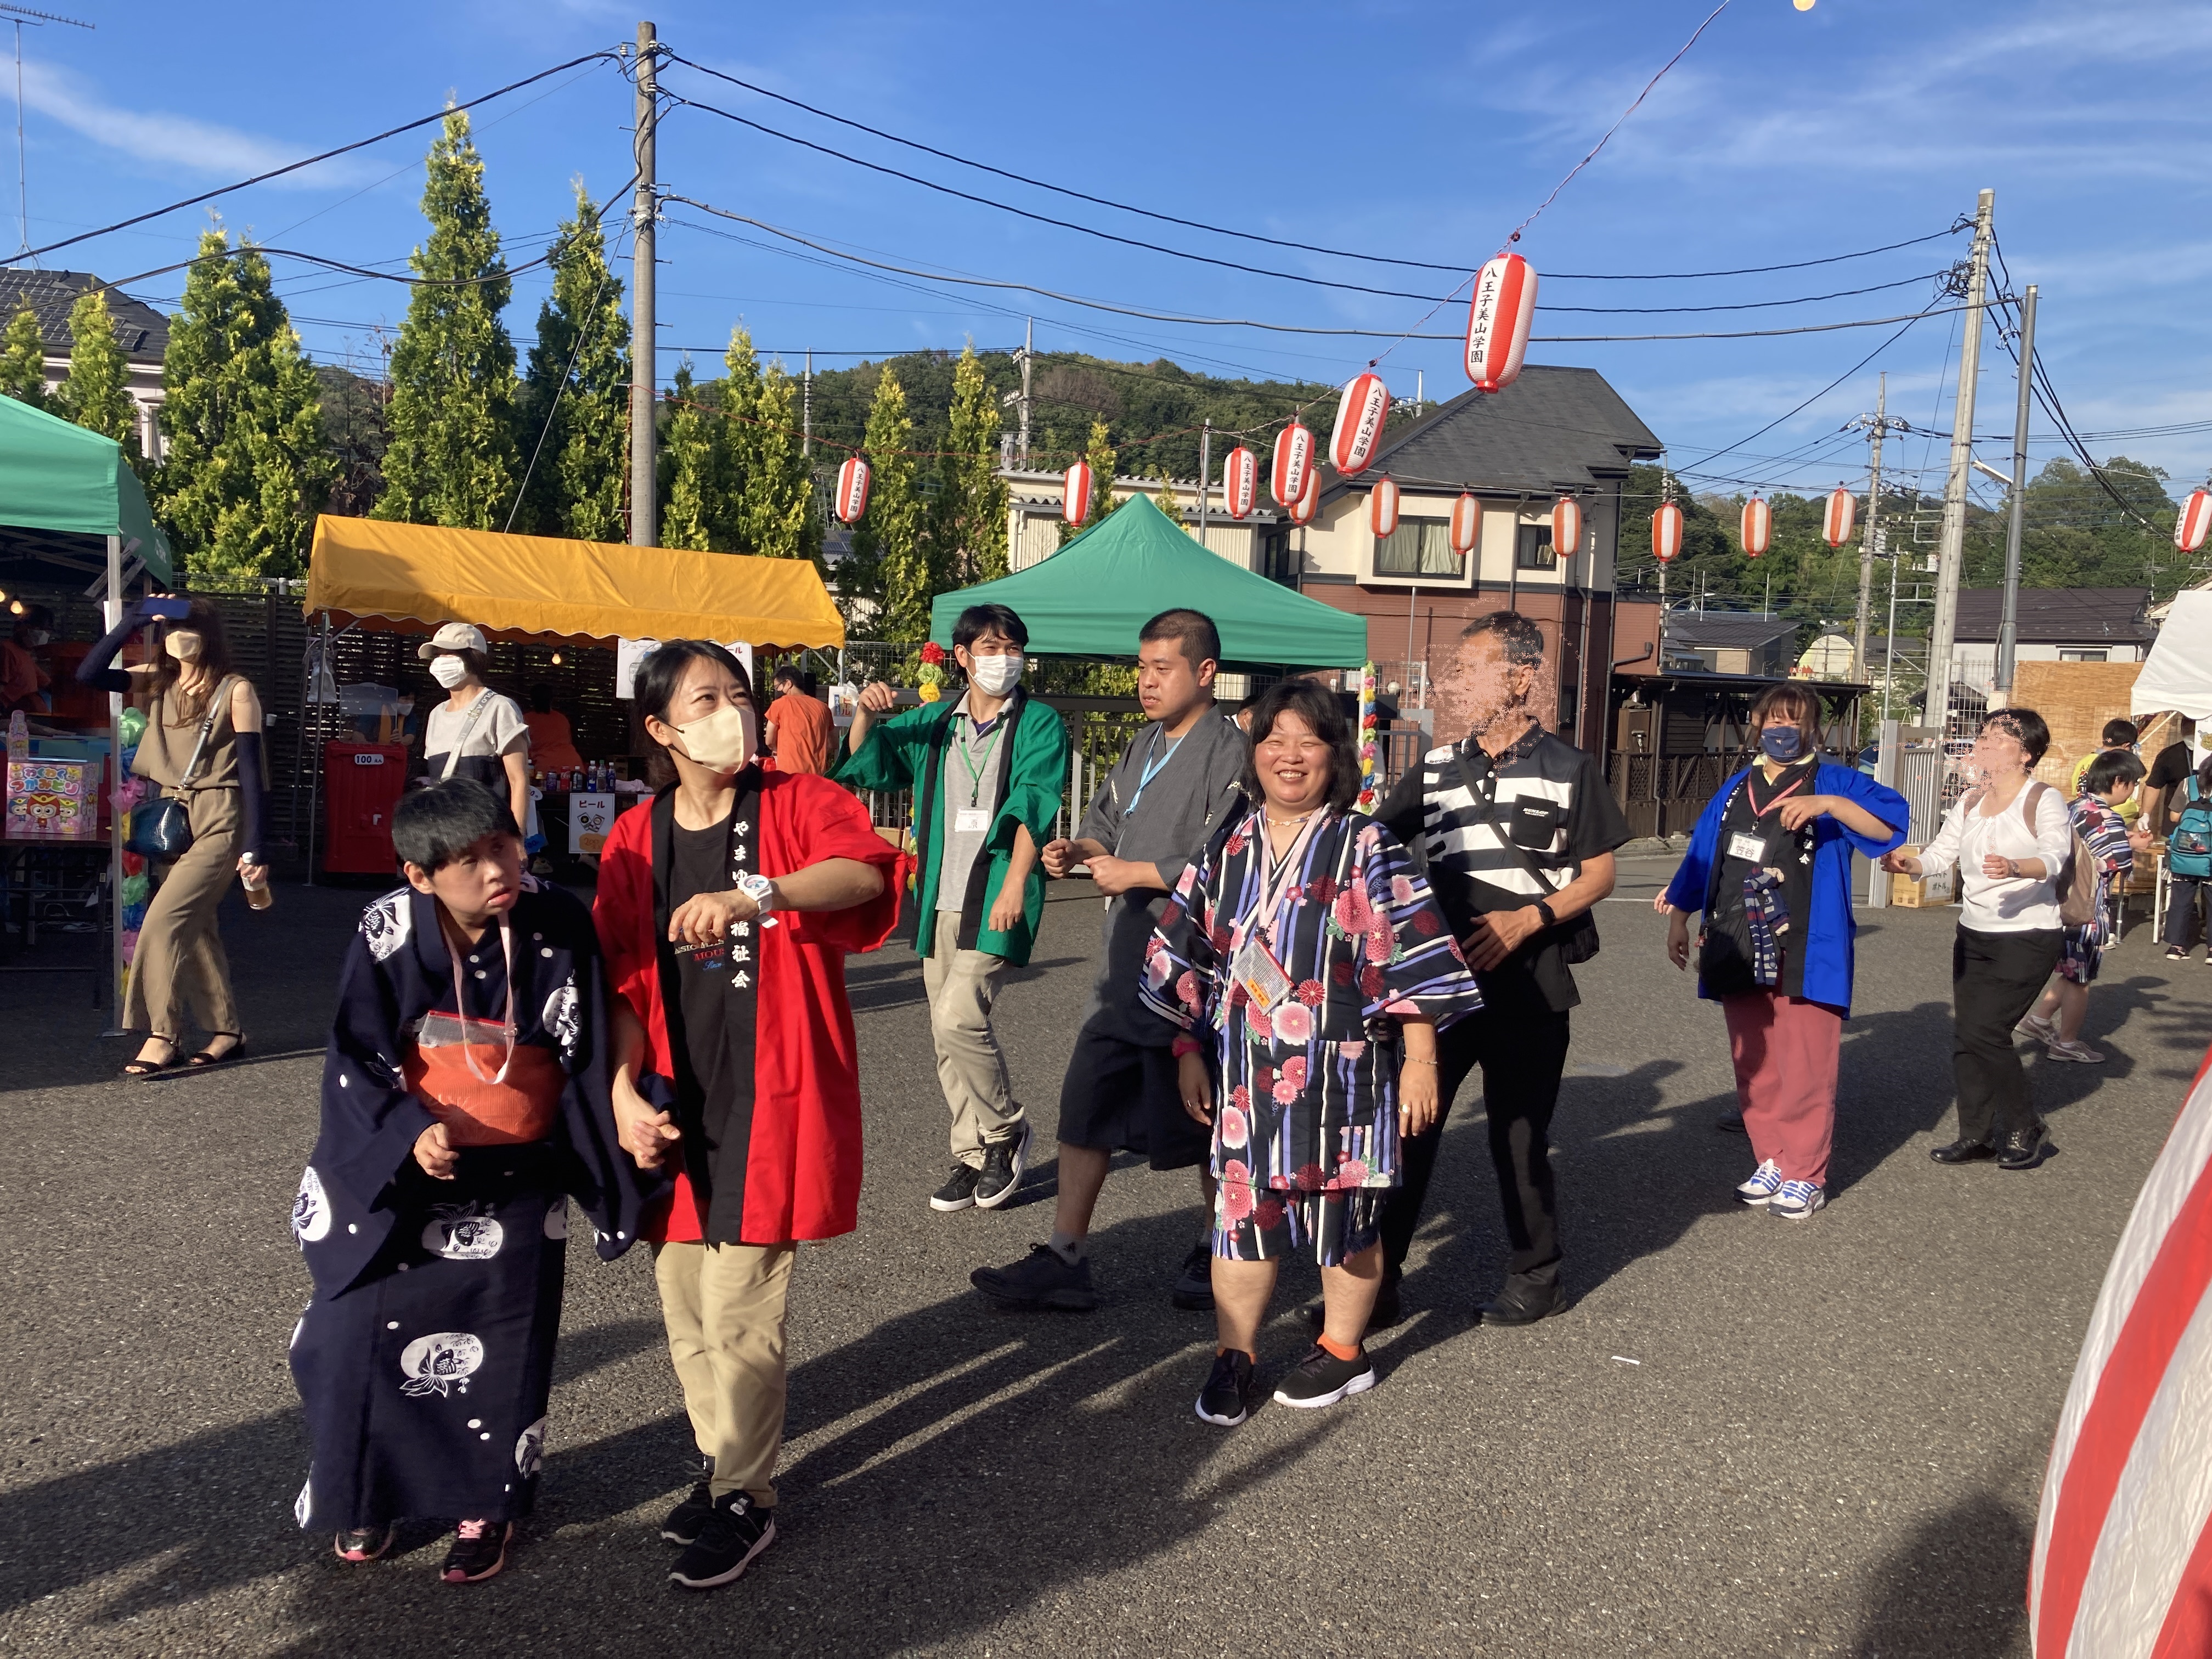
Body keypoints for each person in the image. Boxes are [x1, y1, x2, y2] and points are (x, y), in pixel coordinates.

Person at [289, 778, 656, 1584]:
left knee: (501, 1340)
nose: (497, 870)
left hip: (521, 1165)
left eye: (503, 847)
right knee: (353, 1335)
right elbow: (354, 1050)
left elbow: (590, 1037)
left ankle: (488, 1505)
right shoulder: (387, 927)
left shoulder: (557, 916)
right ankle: (365, 1493)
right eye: (468, 861)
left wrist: (627, 1115)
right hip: (409, 1164)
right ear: (419, 876)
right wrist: (406, 1130)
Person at [594, 641, 901, 1592]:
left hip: (775, 1089)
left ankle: (747, 1495)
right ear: (661, 727)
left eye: (739, 693)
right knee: (684, 1301)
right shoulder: (634, 835)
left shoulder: (797, 800)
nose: (733, 711)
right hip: (676, 1096)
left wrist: (755, 892)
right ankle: (722, 1462)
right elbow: (622, 979)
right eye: (707, 698)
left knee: (741, 1309)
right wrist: (619, 1091)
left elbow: (864, 873)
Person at [1141, 679, 1482, 1425]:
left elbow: (1411, 952)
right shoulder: (1228, 847)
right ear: (1254, 752)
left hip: (1342, 1069)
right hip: (1244, 1073)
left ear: (1335, 756)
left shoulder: (1368, 846)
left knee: (1346, 1220)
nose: (1289, 756)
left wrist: (1422, 1060)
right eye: (1274, 740)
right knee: (1240, 1220)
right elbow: (1188, 952)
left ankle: (1343, 1349)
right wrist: (1186, 1046)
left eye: (1308, 741)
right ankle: (1235, 1354)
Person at [972, 608, 1248, 1313]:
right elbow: (1104, 827)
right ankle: (1066, 1254)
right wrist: (1079, 851)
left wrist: (1139, 873)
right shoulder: (1143, 744)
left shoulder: (1232, 753)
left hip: (1195, 969)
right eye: (1142, 668)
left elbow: (1234, 859)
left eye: (1163, 669)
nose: (1146, 682)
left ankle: (1217, 1244)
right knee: (1084, 1106)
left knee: (1210, 1116)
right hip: (1124, 962)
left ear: (1206, 672)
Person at [1369, 611, 1630, 1328]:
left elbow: (1600, 874)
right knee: (1407, 1132)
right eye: (1458, 669)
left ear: (1521, 678)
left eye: (1474, 668)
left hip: (1531, 987)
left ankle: (1538, 1275)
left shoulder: (1570, 768)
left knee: (1518, 1138)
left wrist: (1530, 917)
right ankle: (1376, 1284)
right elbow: (1374, 843)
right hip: (1440, 990)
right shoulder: (1436, 768)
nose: (1458, 681)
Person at [832, 605, 1068, 1214]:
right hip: (940, 893)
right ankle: (972, 1152)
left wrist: (1015, 884)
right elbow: (872, 765)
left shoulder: (1039, 723)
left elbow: (1034, 803)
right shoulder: (936, 720)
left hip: (995, 892)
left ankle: (1006, 1130)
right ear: (961, 656)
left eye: (1013, 647)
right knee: (944, 1032)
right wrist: (865, 714)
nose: (1004, 659)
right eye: (990, 647)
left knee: (960, 1018)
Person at [1657, 685, 1910, 1220]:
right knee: (1756, 1061)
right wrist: (1680, 916)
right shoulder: (1734, 789)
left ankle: (1805, 1173)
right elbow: (1703, 856)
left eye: (1795, 721)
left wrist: (1831, 805)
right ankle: (1771, 1157)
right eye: (1773, 719)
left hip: (1808, 942)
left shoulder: (1835, 780)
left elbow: (1889, 827)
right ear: (1756, 724)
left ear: (1813, 728)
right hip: (1738, 937)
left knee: (1807, 1063)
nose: (1783, 730)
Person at [77, 596, 267, 1076]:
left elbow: (251, 772)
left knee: (163, 922)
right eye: (169, 630)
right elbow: (89, 674)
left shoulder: (236, 690)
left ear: (209, 634)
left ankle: (163, 1034)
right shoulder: (158, 679)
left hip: (221, 812)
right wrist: (131, 622)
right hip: (172, 813)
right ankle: (227, 1032)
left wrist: (257, 846)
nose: (179, 638)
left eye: (188, 628)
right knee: (197, 929)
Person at [1881, 708, 2074, 1171]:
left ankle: (2025, 1125)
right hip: (1974, 934)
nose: (1984, 743)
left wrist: (2015, 866)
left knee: (1984, 1031)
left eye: (1997, 738)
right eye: (1983, 735)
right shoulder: (1970, 800)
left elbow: (2055, 856)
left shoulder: (2043, 798)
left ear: (2025, 754)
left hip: (2028, 934)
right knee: (1968, 1036)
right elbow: (1940, 855)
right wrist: (1909, 865)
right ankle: (1976, 1135)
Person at [2021, 749, 2152, 1061]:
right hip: (2087, 909)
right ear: (2118, 781)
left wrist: (2124, 839)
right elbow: (2116, 863)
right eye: (2133, 783)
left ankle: (2039, 1020)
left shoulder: (2074, 807)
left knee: (2071, 970)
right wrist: (2134, 844)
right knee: (2081, 980)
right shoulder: (2107, 817)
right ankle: (2066, 1044)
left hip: (2060, 902)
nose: (2133, 790)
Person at [418, 623, 531, 835]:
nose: (440, 661)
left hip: (486, 835)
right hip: (443, 836)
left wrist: (516, 839)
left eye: (449, 653)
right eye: (437, 655)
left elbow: (519, 780)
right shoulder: (436, 714)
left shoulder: (499, 707)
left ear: (473, 657)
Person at [2160, 752, 2212, 963]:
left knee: (2180, 899)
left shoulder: (2188, 783)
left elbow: (2174, 817)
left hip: (2186, 852)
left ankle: (2176, 947)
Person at [2069, 719, 2143, 826]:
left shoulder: (2084, 761)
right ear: (2126, 746)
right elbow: (2118, 801)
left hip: (2080, 816)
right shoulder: (2115, 766)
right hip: (2104, 822)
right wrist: (2137, 811)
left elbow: (2076, 791)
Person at [764, 663, 834, 776]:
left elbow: (769, 741)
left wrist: (779, 750)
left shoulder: (779, 705)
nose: (777, 690)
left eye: (777, 687)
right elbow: (832, 744)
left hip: (789, 776)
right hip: (817, 776)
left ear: (788, 684)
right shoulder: (823, 708)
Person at [1, 603, 54, 713]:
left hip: (30, 718)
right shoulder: (7, 650)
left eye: (47, 630)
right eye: (38, 628)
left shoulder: (26, 656)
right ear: (20, 626)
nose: (43, 633)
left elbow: (49, 685)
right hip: (13, 718)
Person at [522, 684, 583, 776]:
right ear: (551, 700)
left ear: (532, 700)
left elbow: (522, 748)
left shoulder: (526, 720)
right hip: (574, 766)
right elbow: (569, 741)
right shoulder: (562, 719)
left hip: (548, 769)